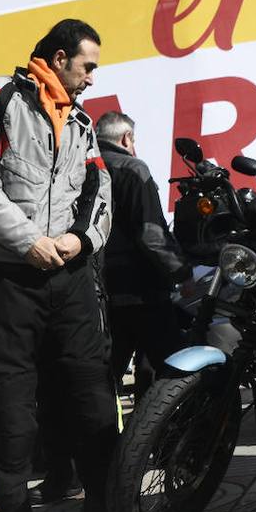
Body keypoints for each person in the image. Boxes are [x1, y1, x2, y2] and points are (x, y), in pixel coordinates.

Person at [0, 18, 118, 512]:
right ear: (62, 56)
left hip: (68, 275)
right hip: (7, 277)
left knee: (92, 393)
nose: (92, 78)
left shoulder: (84, 124)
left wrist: (80, 241)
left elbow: (100, 191)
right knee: (13, 403)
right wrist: (27, 242)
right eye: (88, 66)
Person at [96, 111, 190, 390]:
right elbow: (151, 235)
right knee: (175, 372)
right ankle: (170, 431)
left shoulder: (82, 168)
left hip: (101, 292)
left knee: (105, 376)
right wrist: (181, 271)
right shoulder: (134, 168)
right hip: (143, 289)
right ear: (126, 138)